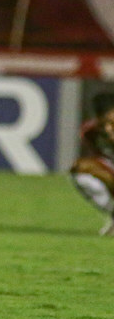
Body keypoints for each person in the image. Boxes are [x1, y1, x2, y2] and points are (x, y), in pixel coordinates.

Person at [69, 92, 114, 236]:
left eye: (112, 122)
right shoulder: (90, 132)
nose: (108, 129)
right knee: (80, 169)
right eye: (103, 123)